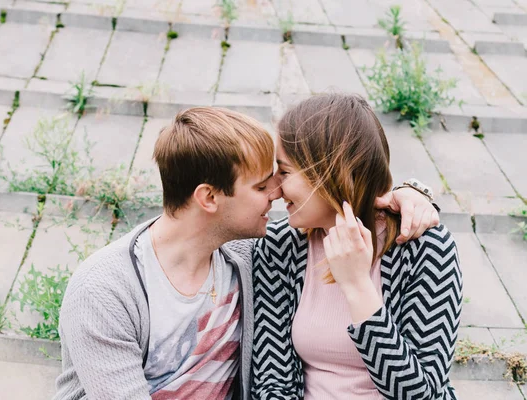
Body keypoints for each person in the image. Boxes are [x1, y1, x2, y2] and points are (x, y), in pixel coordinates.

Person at [53, 106, 439, 400]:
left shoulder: (246, 254)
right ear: (208, 198)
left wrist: (413, 191)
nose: (275, 193)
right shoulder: (105, 291)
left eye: (280, 176)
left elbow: (347, 166)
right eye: (261, 186)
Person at [251, 93, 463, 400]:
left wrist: (357, 286)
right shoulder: (281, 247)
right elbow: (273, 383)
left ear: (328, 174)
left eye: (284, 172)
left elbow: (421, 394)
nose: (274, 189)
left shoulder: (425, 249)